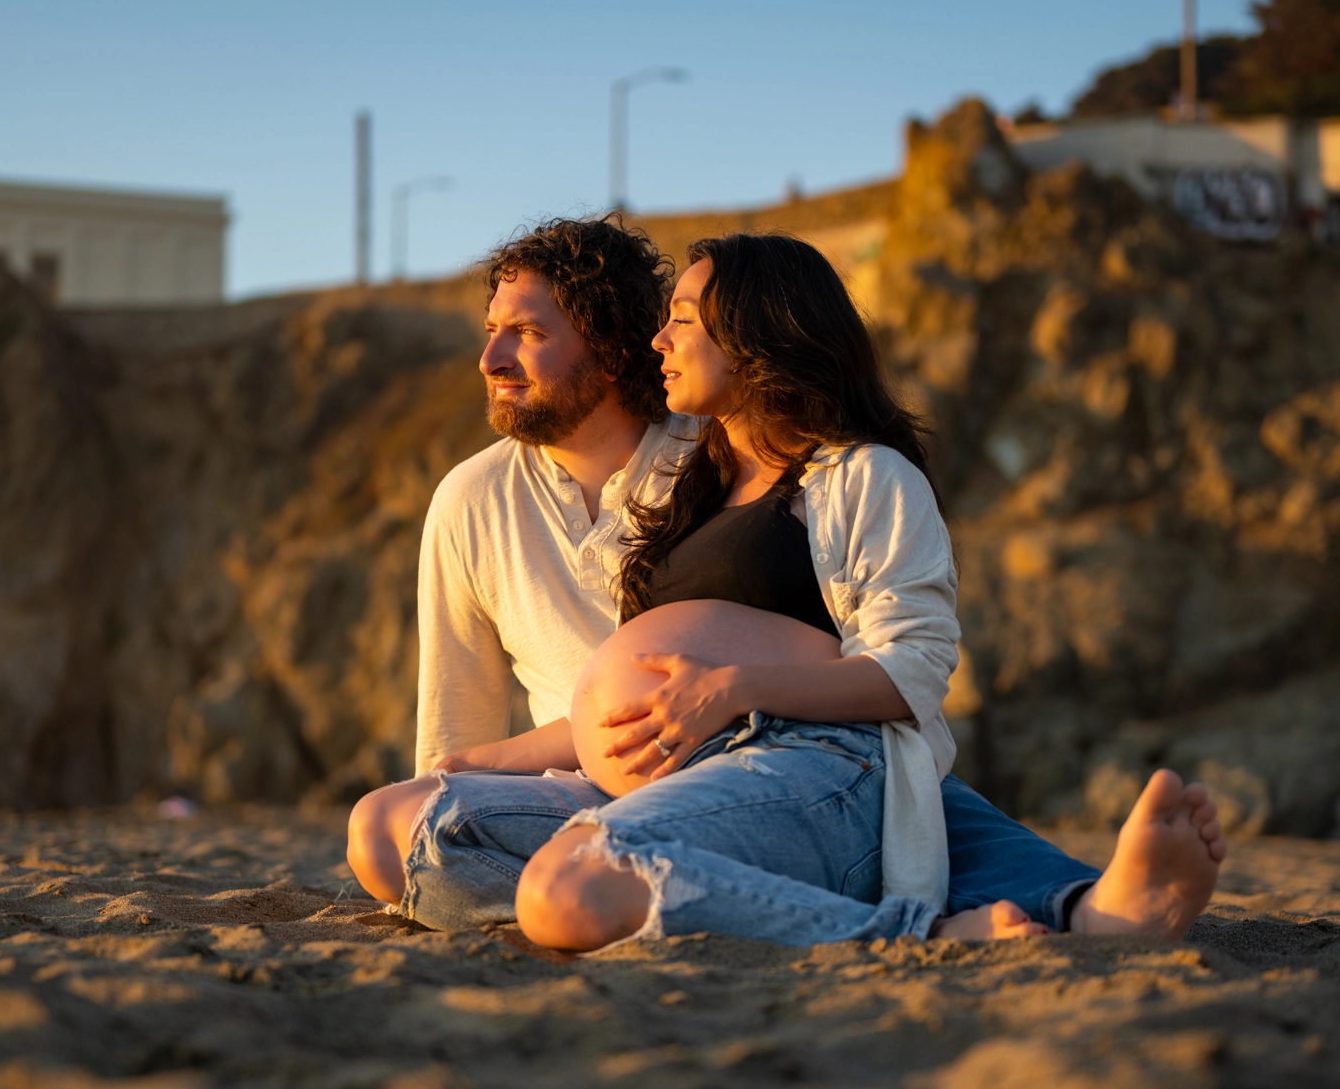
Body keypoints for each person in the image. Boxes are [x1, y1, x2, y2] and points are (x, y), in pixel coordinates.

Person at [346, 218, 1224, 949]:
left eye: (530, 333)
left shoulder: (837, 473)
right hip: (637, 779)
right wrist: (487, 762)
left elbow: (907, 677)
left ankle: (957, 926)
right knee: (393, 828)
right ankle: (682, 901)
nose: (492, 356)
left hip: (791, 754)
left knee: (577, 882)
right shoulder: (695, 482)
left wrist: (733, 687)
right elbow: (633, 693)